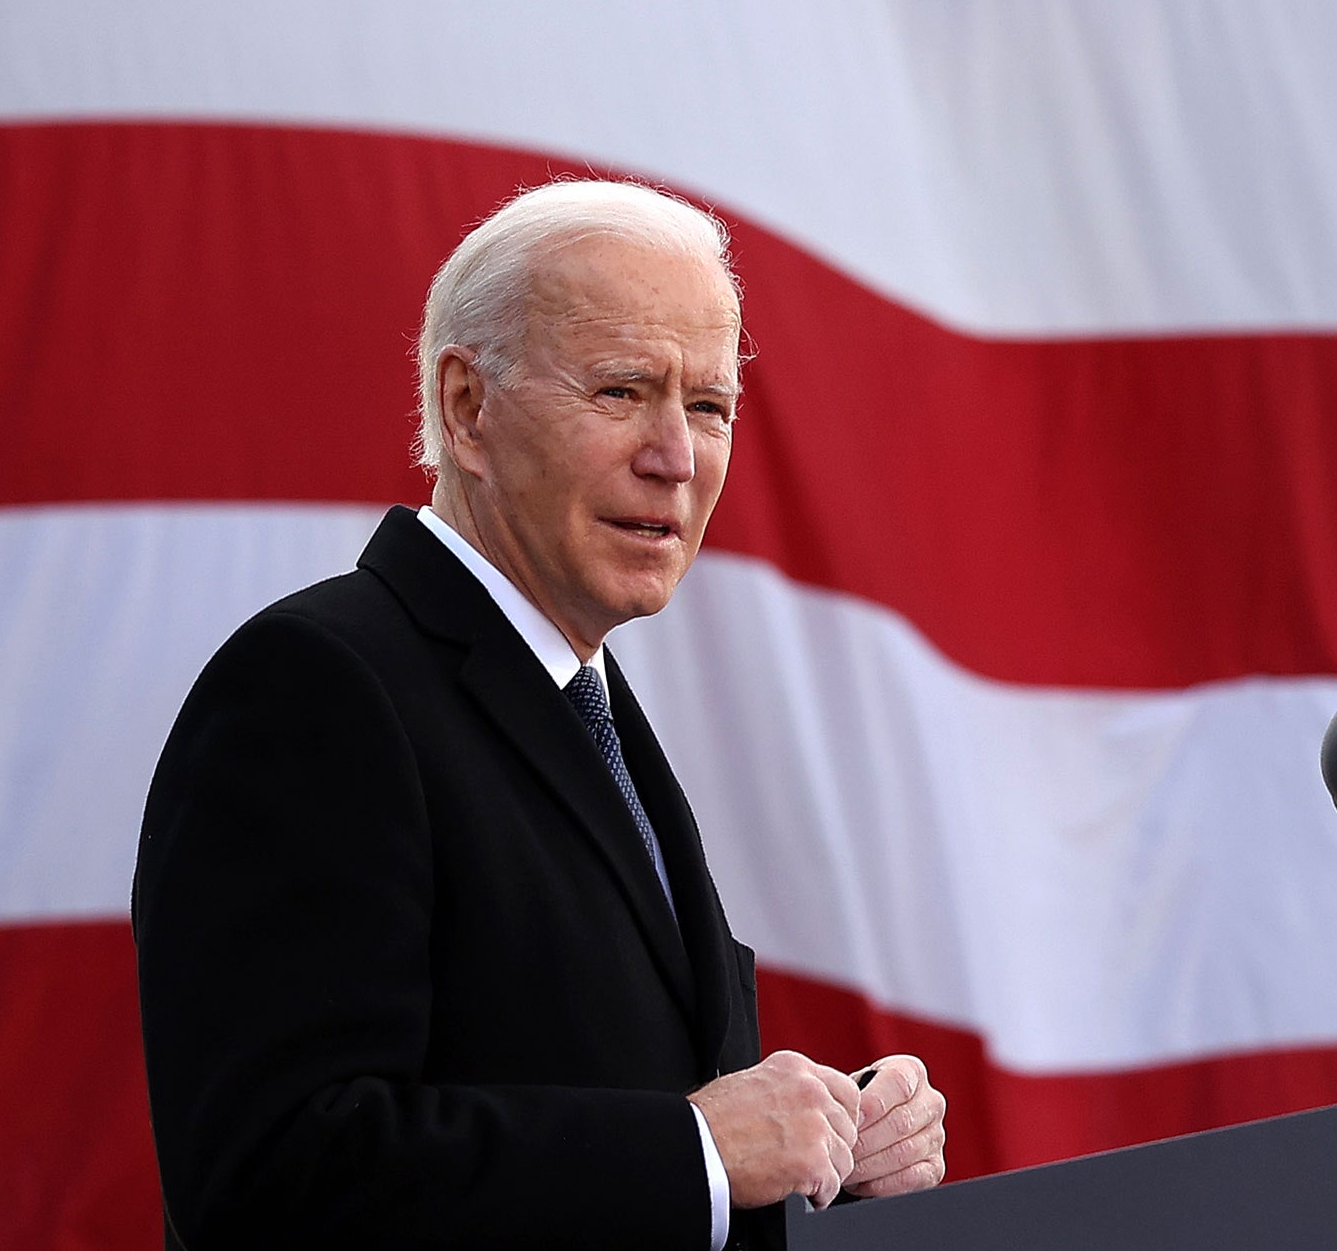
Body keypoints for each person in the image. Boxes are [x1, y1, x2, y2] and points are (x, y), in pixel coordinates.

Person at [133, 180, 946, 1250]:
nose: (678, 455)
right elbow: (273, 1174)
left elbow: (609, 1095)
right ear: (468, 408)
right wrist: (697, 1152)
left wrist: (822, 1157)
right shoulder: (316, 686)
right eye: (621, 391)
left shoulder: (587, 711)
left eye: (708, 407)